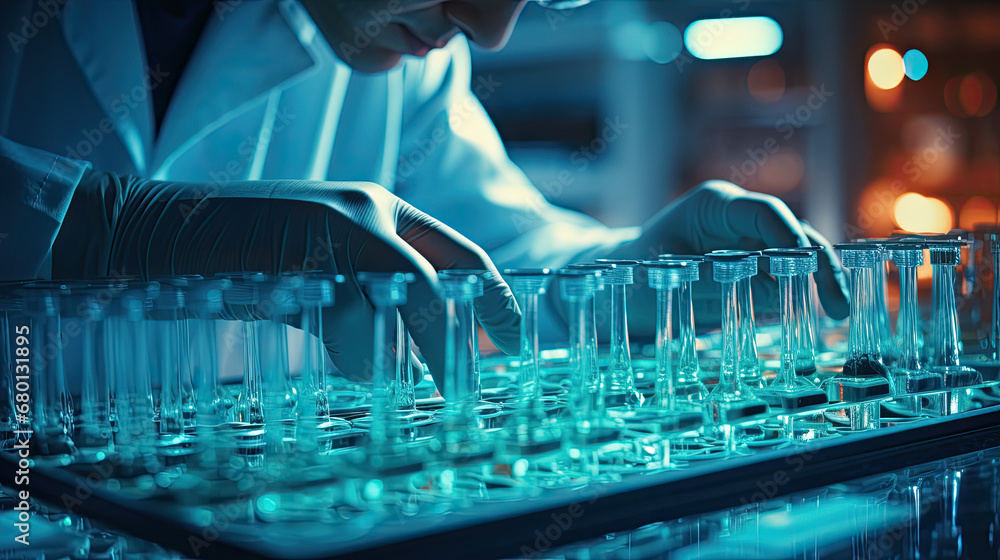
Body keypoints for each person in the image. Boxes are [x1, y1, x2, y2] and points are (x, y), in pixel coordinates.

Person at [0, 0, 848, 382]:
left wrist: (631, 281)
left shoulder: (415, 64)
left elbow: (491, 268)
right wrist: (102, 229)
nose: (491, 25)